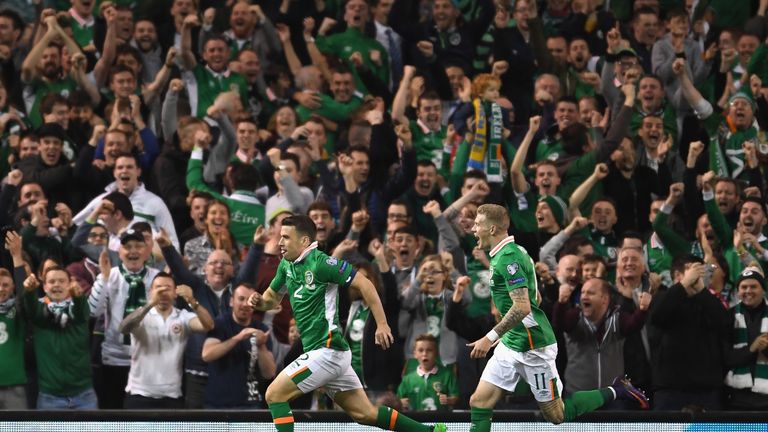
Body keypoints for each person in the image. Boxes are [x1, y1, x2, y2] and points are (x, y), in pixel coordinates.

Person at [248, 215, 446, 432]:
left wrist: (382, 324)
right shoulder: (287, 265)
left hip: (327, 351)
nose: (280, 242)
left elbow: (365, 284)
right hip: (329, 353)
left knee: (275, 395)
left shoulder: (322, 263)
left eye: (286, 237)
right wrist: (258, 301)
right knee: (366, 414)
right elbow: (272, 299)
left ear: (304, 241)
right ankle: (430, 431)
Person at [466, 204, 648, 430]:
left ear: (492, 229)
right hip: (512, 343)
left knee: (556, 415)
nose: (473, 229)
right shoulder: (513, 252)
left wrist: (490, 337)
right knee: (479, 402)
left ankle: (617, 389)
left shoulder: (508, 259)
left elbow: (522, 307)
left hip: (534, 348)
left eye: (477, 224)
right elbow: (536, 298)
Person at [118, 273, 214, 408]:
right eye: (158, 288)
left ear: (175, 293)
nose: (162, 292)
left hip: (172, 396)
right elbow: (123, 328)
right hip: (139, 394)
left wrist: (193, 301)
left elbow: (208, 325)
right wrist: (150, 304)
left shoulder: (183, 317)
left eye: (167, 288)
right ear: (151, 292)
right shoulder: (142, 316)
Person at [202, 283, 276, 409]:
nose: (246, 304)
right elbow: (207, 355)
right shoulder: (220, 324)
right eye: (241, 299)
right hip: (218, 404)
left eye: (250, 300)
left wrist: (261, 346)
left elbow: (269, 373)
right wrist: (238, 337)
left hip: (250, 404)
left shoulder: (261, 329)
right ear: (231, 301)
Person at [397, 333, 459, 411]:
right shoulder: (407, 379)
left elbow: (456, 397)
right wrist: (400, 402)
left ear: (436, 353)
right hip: (415, 421)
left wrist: (448, 400)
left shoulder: (447, 375)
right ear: (415, 354)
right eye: (420, 350)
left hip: (441, 421)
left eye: (429, 350)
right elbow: (398, 400)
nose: (424, 354)